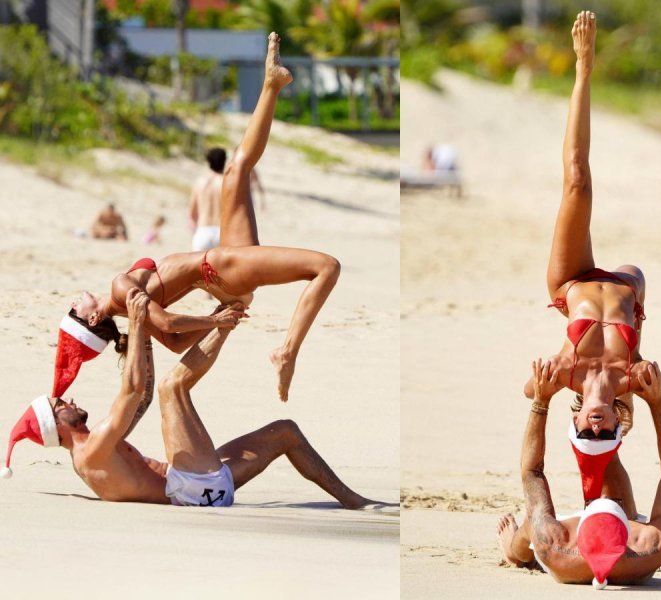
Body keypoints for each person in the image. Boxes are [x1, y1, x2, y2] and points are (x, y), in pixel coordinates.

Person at [65, 33, 338, 403]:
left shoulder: (134, 317)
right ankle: (287, 351)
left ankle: (272, 83)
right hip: (219, 267)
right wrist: (215, 320)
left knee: (236, 170)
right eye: (74, 310)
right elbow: (169, 325)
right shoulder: (119, 291)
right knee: (326, 267)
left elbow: (176, 343)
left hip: (222, 272)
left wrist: (221, 312)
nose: (74, 301)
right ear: (93, 319)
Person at [1, 289, 380, 510]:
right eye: (59, 406)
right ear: (57, 428)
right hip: (192, 487)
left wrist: (152, 332)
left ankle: (355, 501)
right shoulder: (91, 451)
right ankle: (229, 318)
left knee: (286, 432)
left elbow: (139, 395)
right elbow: (133, 392)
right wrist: (135, 321)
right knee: (173, 387)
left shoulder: (90, 452)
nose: (67, 400)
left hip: (202, 486)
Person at [526, 11, 651, 439]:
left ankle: (583, 69)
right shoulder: (636, 379)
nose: (595, 428)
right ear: (619, 421)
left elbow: (529, 391)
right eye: (606, 433)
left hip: (572, 281)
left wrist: (542, 397)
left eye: (585, 433)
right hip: (628, 288)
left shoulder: (565, 374)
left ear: (575, 419)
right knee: (634, 270)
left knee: (577, 182)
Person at [497, 357, 661, 586]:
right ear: (627, 533)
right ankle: (612, 415)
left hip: (565, 562)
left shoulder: (555, 544)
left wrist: (540, 401)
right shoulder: (649, 546)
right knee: (608, 463)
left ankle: (513, 553)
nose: (603, 498)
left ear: (579, 532)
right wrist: (658, 405)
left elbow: (531, 471)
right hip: (630, 564)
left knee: (530, 524)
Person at [189, 147, 225, 252]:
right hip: (221, 232)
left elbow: (192, 214)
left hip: (203, 230)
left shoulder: (200, 182)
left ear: (208, 161)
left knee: (197, 267)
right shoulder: (225, 182)